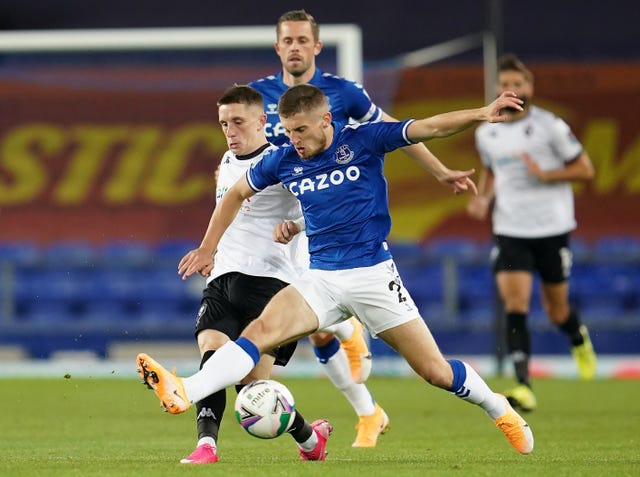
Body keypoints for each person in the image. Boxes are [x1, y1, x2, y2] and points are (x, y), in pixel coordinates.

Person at [137, 83, 534, 456]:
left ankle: (496, 406)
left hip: (373, 276)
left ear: (326, 121)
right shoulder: (285, 159)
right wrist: (209, 247)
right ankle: (185, 389)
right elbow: (238, 192)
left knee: (435, 372)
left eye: (302, 131)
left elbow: (428, 127)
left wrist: (482, 112)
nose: (295, 141)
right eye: (289, 131)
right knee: (256, 333)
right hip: (321, 279)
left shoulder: (363, 140)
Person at [247, 10, 476, 445]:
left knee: (310, 321)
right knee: (306, 326)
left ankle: (360, 387)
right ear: (277, 48)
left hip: (327, 216)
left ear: (316, 46)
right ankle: (366, 402)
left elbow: (391, 130)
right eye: (287, 41)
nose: (294, 47)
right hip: (280, 220)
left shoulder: (343, 93)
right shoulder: (258, 97)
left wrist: (441, 171)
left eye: (302, 40)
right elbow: (243, 154)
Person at [156, 85, 332, 464]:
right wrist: (209, 250)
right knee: (213, 358)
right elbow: (226, 207)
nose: (230, 131)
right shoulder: (227, 160)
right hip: (223, 278)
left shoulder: (286, 161)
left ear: (262, 121)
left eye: (237, 122)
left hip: (273, 284)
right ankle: (207, 446)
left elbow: (320, 208)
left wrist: (295, 225)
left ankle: (308, 438)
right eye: (223, 124)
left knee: (252, 386)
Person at [466, 54, 597, 412]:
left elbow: (586, 170)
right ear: (497, 88)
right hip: (510, 229)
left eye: (518, 84)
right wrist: (484, 199)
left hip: (552, 229)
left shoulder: (550, 126)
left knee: (556, 311)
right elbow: (491, 170)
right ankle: (523, 385)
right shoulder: (487, 131)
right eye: (505, 84)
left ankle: (577, 335)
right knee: (516, 304)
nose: (512, 90)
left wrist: (546, 175)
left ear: (530, 88)